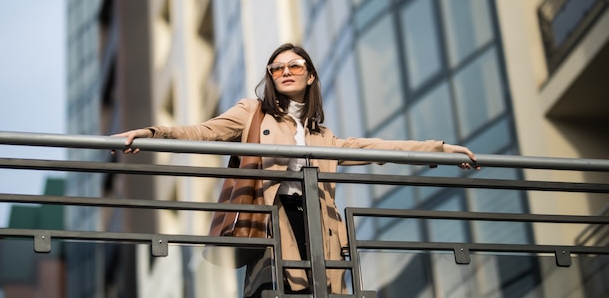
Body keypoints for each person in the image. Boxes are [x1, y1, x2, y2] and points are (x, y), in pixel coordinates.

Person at [112, 43, 478, 297]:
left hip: (320, 225)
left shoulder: (322, 135)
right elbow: (203, 132)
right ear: (270, 77)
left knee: (324, 288)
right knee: (278, 288)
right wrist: (153, 133)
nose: (285, 72)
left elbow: (379, 149)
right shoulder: (252, 112)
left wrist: (440, 150)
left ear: (311, 76)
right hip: (274, 221)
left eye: (295, 66)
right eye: (277, 68)